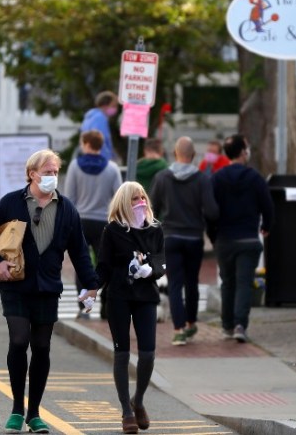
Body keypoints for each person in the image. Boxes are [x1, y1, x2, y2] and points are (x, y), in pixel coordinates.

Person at [0, 149, 99, 434]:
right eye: (47, 172)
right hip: (16, 285)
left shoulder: (67, 208)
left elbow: (79, 251)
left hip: (47, 287)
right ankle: (16, 409)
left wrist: (91, 284)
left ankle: (34, 413)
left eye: (55, 172)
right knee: (20, 340)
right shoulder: (11, 203)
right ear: (32, 174)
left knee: (42, 347)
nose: (52, 177)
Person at [96, 181, 166, 434]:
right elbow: (103, 265)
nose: (140, 202)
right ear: (124, 203)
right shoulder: (113, 231)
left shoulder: (155, 230)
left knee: (148, 353)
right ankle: (126, 410)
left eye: (142, 197)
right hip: (119, 296)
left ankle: (139, 399)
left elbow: (160, 261)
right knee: (122, 352)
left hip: (146, 295)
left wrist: (152, 270)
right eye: (135, 199)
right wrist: (91, 288)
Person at [149, 136, 218, 346]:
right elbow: (213, 212)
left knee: (176, 284)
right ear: (193, 155)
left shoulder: (162, 178)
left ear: (174, 154)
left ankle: (178, 330)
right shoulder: (202, 180)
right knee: (192, 283)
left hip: (170, 237)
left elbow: (151, 209)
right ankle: (190, 323)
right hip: (194, 238)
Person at [209, 134, 274, 343]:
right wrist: (266, 227)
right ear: (243, 152)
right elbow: (268, 206)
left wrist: (213, 235)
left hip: (225, 239)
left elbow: (209, 210)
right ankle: (240, 324)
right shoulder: (255, 178)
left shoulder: (217, 178)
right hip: (248, 238)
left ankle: (227, 325)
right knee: (244, 282)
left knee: (227, 283)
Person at [64, 129, 122, 319]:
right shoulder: (112, 168)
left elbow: (69, 197)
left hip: (80, 221)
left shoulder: (74, 166)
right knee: (106, 264)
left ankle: (84, 308)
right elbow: (119, 198)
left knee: (82, 265)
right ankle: (106, 303)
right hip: (104, 223)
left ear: (86, 144)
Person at [80, 90, 119, 162]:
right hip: (100, 160)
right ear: (105, 105)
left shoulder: (90, 117)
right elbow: (100, 141)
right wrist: (108, 159)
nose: (115, 109)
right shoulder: (100, 118)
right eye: (113, 105)